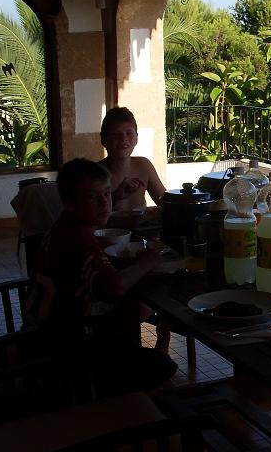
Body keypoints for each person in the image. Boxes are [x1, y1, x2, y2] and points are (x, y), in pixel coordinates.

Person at [25, 158, 177, 396]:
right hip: (70, 345)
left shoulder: (62, 227)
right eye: (92, 197)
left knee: (134, 306)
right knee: (161, 366)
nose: (104, 203)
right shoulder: (80, 240)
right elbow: (114, 286)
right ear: (69, 203)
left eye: (107, 194)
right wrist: (147, 261)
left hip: (48, 329)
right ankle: (119, 408)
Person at [99, 107, 165, 211]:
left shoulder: (144, 166)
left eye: (129, 133)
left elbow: (164, 201)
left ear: (136, 138)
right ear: (103, 140)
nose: (123, 138)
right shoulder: (96, 173)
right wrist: (116, 196)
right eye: (115, 134)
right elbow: (88, 213)